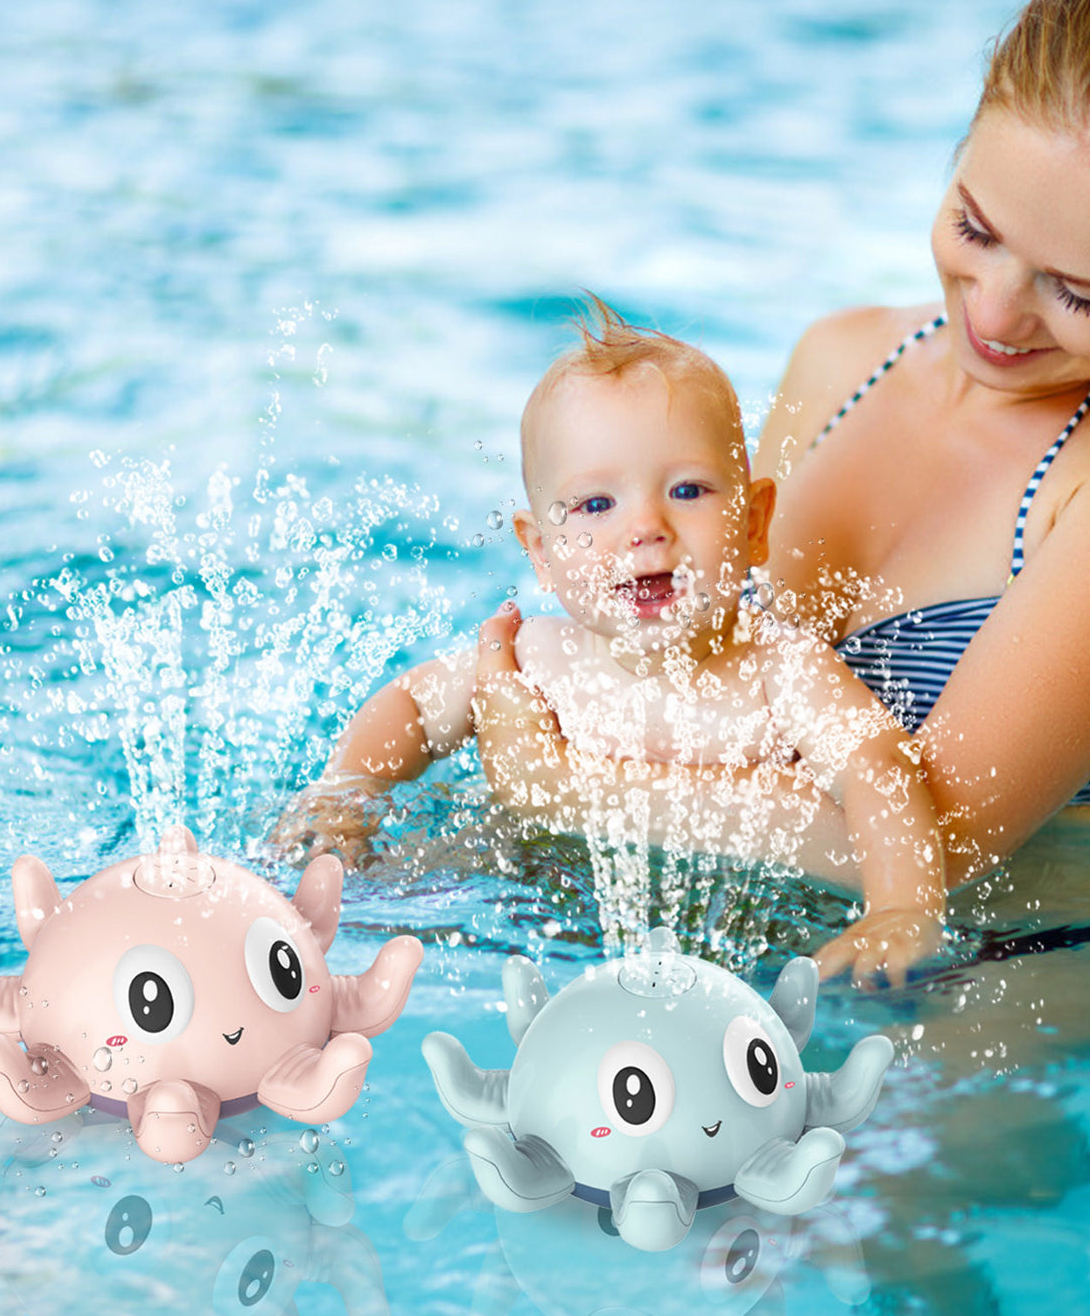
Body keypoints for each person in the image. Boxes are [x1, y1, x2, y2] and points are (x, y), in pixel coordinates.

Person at [474, 0, 1090, 935]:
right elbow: (700, 671)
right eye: (975, 226)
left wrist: (559, 786)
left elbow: (932, 852)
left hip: (1002, 984)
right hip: (734, 929)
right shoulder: (841, 357)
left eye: (1079, 293)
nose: (995, 310)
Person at [277, 302, 945, 983]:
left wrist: (902, 906)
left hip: (737, 951)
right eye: (597, 505)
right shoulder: (534, 659)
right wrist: (344, 794)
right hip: (525, 914)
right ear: (539, 551)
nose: (646, 527)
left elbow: (875, 767)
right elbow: (414, 708)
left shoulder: (781, 671)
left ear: (754, 524)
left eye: (688, 490)